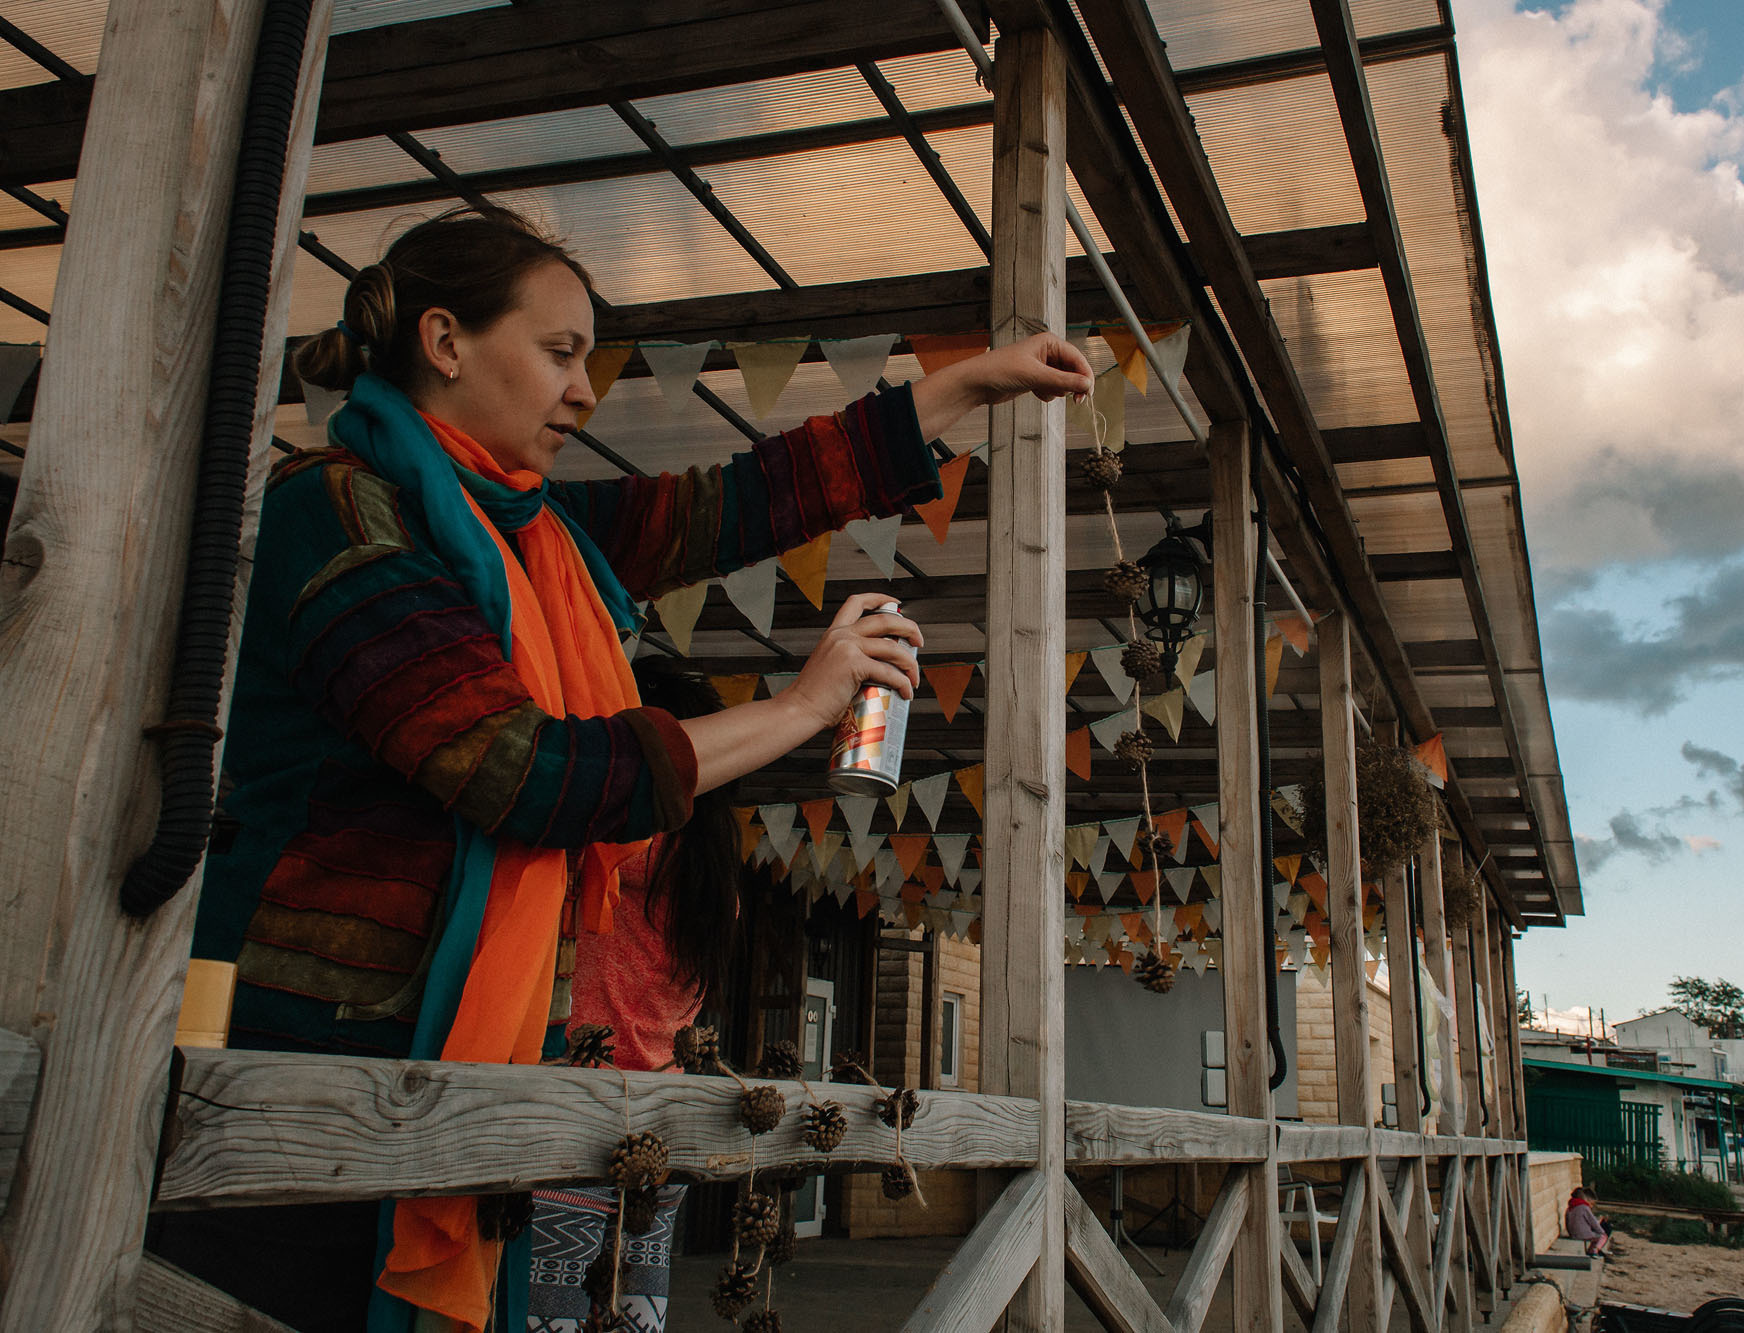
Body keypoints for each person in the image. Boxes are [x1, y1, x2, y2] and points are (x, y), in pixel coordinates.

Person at [155, 205, 1092, 1333]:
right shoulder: (339, 512)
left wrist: (968, 388)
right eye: (558, 353)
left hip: (471, 1065)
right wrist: (799, 706)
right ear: (445, 342)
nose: (585, 389)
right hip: (306, 1054)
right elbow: (524, 772)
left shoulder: (538, 530)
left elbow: (743, 503)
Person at [526, 662, 736, 1330]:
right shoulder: (710, 861)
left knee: (551, 1309)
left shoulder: (632, 843)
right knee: (639, 1311)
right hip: (661, 1116)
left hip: (585, 1105)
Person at [1565, 1186, 1613, 1257]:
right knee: (1603, 1236)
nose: (1592, 1206)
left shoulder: (1570, 1208)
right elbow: (1593, 1222)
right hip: (1583, 1234)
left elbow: (1567, 1221)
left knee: (1598, 1233)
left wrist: (1570, 1233)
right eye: (1592, 1204)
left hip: (1573, 1233)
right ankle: (1594, 1250)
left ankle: (1592, 1250)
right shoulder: (1584, 1207)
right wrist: (1601, 1231)